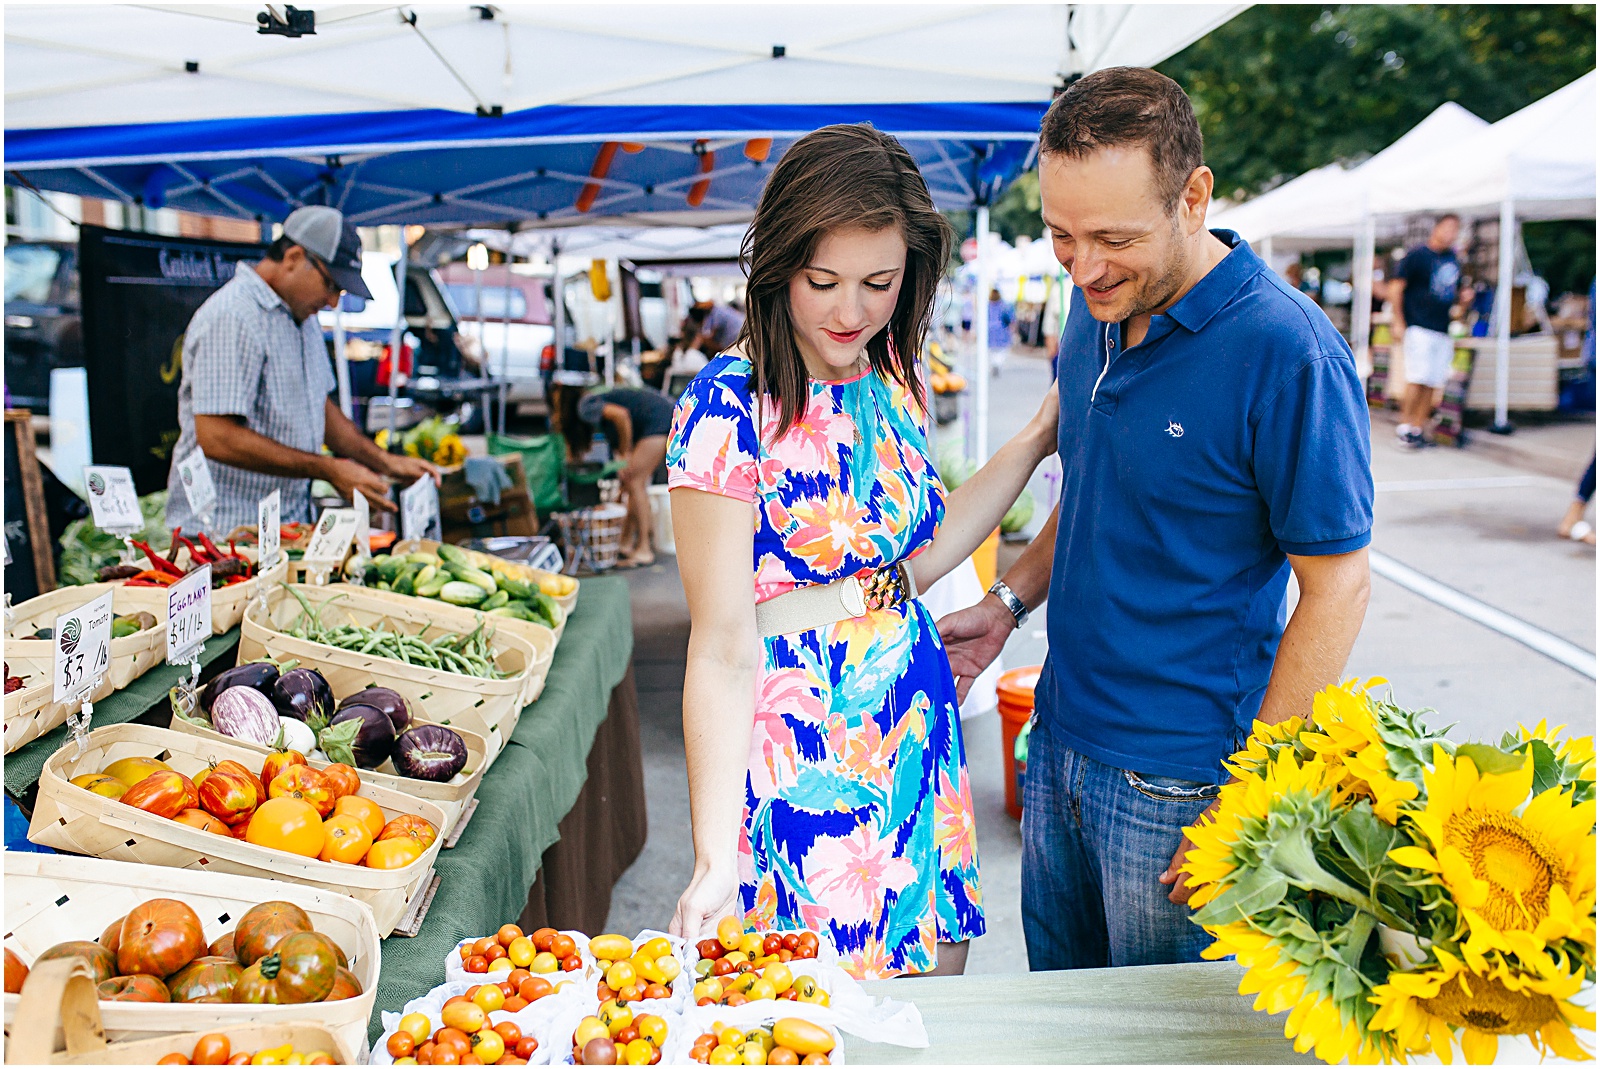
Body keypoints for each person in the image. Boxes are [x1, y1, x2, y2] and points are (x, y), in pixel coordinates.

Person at [936, 67, 1374, 972]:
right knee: (1068, 1029)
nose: (1085, 266)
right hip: (1055, 741)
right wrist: (1010, 602)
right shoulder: (1097, 305)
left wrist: (1252, 798)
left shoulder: (1288, 352)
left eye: (1111, 237)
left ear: (1194, 197)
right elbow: (1100, 485)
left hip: (1182, 785)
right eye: (1062, 237)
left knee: (1162, 1041)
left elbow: (1337, 588)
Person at [665, 123, 1058, 979]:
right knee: (818, 1015)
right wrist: (710, 854)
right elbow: (723, 645)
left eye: (879, 283)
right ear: (778, 266)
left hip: (914, 726)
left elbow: (922, 551)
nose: (852, 312)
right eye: (824, 281)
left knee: (930, 1008)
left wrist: (1036, 437)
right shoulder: (728, 405)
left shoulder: (892, 375)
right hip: (802, 748)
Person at [166, 206, 437, 534]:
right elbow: (217, 437)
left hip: (284, 526)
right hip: (224, 532)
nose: (334, 301)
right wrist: (328, 469)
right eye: (332, 285)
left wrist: (383, 461)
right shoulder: (233, 316)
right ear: (294, 256)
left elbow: (317, 406)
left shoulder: (300, 316)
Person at [558, 384, 676, 568]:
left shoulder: (584, 405)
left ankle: (644, 549)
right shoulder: (594, 398)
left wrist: (625, 452)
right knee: (630, 483)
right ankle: (626, 542)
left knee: (635, 482)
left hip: (659, 421)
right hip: (660, 420)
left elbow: (621, 416)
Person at [1389, 214, 1463, 448]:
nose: (1451, 234)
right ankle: (1405, 426)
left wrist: (1463, 303)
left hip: (1442, 327)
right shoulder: (1418, 255)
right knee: (1417, 377)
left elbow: (1456, 295)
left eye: (1455, 230)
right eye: (1448, 228)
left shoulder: (1453, 260)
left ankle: (1419, 427)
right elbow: (1396, 288)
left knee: (1433, 380)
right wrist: (1398, 320)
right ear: (1437, 228)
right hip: (1418, 325)